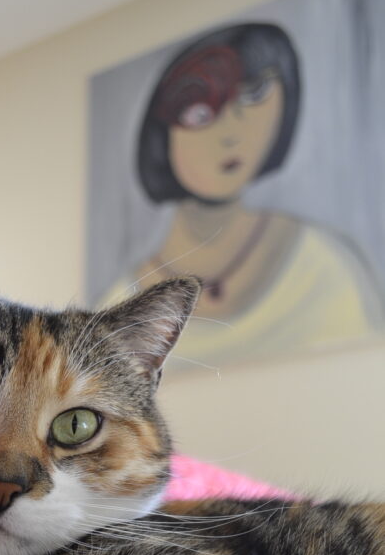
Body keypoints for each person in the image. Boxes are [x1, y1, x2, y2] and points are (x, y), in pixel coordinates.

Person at [106, 23, 382, 368]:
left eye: (254, 96)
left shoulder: (325, 267)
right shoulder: (118, 304)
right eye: (200, 113)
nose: (230, 133)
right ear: (161, 137)